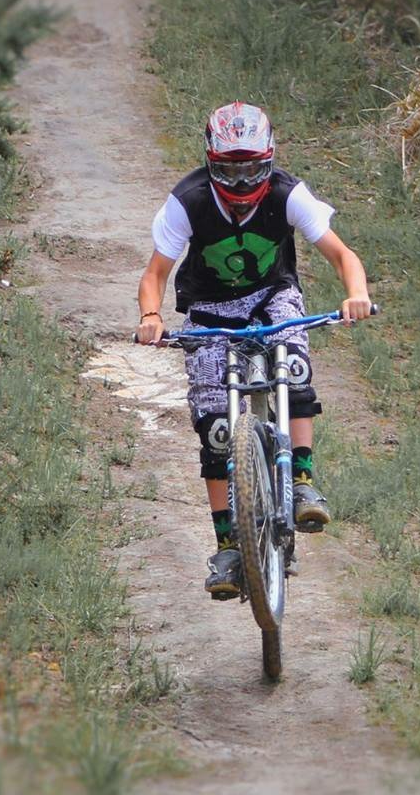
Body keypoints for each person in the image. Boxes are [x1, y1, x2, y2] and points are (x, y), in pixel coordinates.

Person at [134, 101, 374, 599]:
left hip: (272, 296)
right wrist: (152, 317)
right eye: (229, 171)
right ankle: (227, 548)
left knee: (294, 364)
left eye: (252, 170)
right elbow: (155, 274)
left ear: (268, 161)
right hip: (208, 313)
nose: (242, 185)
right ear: (210, 163)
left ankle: (303, 478)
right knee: (217, 428)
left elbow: (342, 254)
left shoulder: (288, 193)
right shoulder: (189, 201)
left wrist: (356, 293)